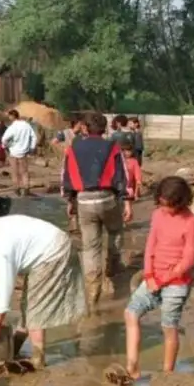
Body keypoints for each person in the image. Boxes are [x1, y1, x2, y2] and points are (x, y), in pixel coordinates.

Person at [0, 212, 88, 370]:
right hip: (51, 248)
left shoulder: (0, 244)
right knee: (28, 303)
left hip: (53, 253)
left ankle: (38, 358)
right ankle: (14, 346)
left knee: (35, 307)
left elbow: (6, 283)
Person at [122, 176, 194, 381]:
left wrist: (162, 280)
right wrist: (149, 275)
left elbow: (188, 259)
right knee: (131, 313)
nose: (165, 209)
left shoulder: (191, 222)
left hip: (176, 283)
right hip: (153, 277)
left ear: (181, 202)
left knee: (168, 327)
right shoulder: (157, 215)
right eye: (162, 204)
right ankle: (132, 366)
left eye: (169, 206)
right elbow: (150, 246)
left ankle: (167, 375)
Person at [62, 112, 131, 308]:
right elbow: (122, 176)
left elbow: (66, 176)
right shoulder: (112, 147)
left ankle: (93, 296)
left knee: (90, 248)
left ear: (85, 127)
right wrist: (126, 201)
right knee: (115, 231)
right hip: (108, 198)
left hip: (84, 200)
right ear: (105, 128)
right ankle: (113, 266)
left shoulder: (73, 148)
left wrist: (70, 201)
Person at [1, 109, 38, 196]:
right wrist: (31, 148)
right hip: (24, 152)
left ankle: (16, 188)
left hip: (13, 153)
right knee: (24, 172)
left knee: (15, 172)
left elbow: (4, 139)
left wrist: (8, 146)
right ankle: (26, 188)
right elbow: (34, 137)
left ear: (11, 117)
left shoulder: (12, 127)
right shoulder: (26, 125)